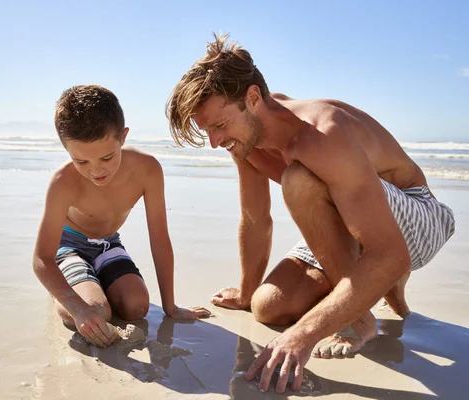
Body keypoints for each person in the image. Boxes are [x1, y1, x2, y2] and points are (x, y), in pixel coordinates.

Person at [166, 34, 455, 393]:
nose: (213, 141)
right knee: (268, 306)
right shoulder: (246, 140)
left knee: (299, 180)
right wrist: (245, 291)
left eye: (219, 125)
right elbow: (256, 220)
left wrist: (303, 335)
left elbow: (391, 254)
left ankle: (361, 319)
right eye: (206, 129)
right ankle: (375, 288)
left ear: (253, 99)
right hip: (352, 218)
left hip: (419, 217)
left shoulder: (322, 134)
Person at [33, 85, 211, 348]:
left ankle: (90, 280)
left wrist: (170, 305)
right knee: (96, 311)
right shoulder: (62, 182)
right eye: (81, 161)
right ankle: (69, 287)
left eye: (107, 157)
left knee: (137, 307)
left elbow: (159, 239)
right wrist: (77, 308)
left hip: (108, 244)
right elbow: (41, 259)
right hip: (68, 247)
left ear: (123, 137)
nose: (96, 171)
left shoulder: (147, 170)